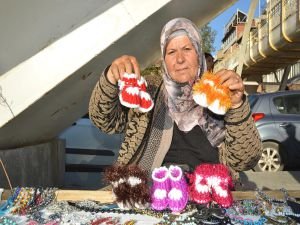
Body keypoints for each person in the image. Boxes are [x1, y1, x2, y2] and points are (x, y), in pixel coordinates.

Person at [89, 18, 262, 182]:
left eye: (187, 49)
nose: (179, 59)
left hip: (212, 200)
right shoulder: (148, 91)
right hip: (147, 198)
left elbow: (246, 160)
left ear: (198, 53)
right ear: (164, 60)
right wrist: (110, 77)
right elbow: (104, 121)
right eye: (171, 52)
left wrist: (237, 106)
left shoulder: (219, 94)